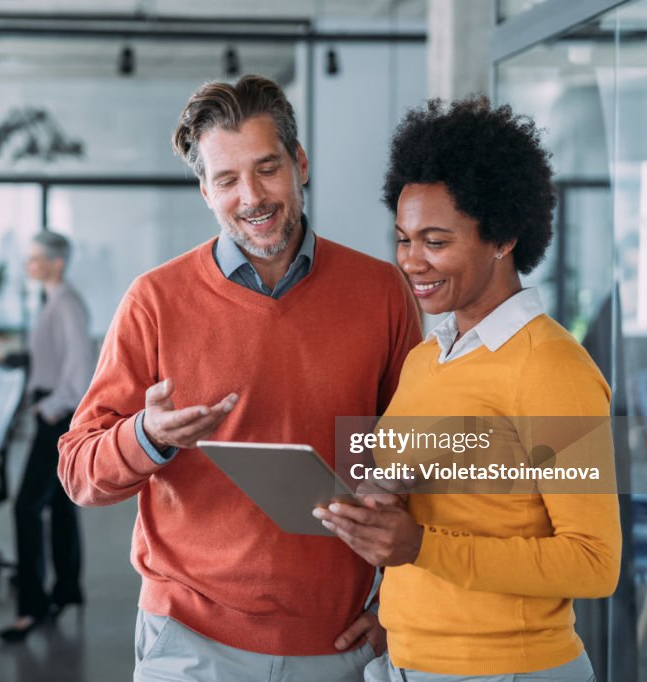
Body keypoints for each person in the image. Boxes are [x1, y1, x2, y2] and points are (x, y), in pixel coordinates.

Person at [59, 75, 422, 681]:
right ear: (205, 190)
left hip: (339, 641)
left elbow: (415, 460)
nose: (251, 195)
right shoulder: (153, 301)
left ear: (299, 163)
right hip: (190, 638)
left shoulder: (382, 292)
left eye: (267, 168)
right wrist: (148, 435)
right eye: (226, 179)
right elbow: (78, 472)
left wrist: (397, 602)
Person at [314, 97, 622, 681]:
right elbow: (442, 508)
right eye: (404, 239)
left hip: (507, 669)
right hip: (408, 662)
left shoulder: (551, 369)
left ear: (502, 236)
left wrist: (422, 547)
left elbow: (593, 562)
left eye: (436, 240)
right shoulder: (426, 359)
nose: (412, 261)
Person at [0, 231, 95, 642]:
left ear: (57, 262)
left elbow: (81, 372)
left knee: (26, 507)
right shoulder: (54, 301)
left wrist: (49, 405)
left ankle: (32, 606)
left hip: (57, 416)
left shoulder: (67, 305)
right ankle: (67, 588)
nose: (28, 264)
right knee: (58, 504)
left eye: (35, 257)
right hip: (53, 411)